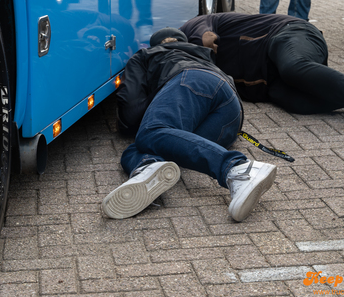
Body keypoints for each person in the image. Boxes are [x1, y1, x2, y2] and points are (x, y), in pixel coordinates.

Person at [102, 28, 277, 222]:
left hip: (190, 81)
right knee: (167, 144)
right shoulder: (204, 54)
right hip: (232, 112)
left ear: (157, 44)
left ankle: (238, 168)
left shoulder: (147, 54)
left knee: (149, 134)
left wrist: (157, 94)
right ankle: (148, 167)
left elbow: (129, 114)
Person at [180, 13, 344, 135]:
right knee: (299, 103)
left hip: (288, 34)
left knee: (293, 67)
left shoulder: (191, 28)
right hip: (270, 82)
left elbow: (207, 39)